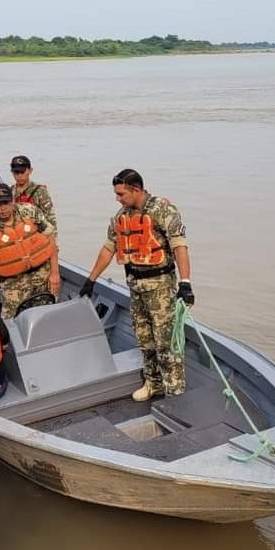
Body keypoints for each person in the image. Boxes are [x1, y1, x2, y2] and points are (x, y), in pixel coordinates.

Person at [79, 169, 193, 402]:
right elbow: (108, 249)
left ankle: (174, 390)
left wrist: (185, 283)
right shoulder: (121, 216)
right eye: (116, 194)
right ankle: (153, 383)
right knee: (144, 339)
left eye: (121, 194)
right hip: (136, 286)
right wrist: (91, 280)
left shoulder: (163, 210)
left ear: (137, 190)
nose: (117, 198)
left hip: (160, 287)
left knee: (165, 341)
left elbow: (180, 245)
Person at [0, 182, 61, 319]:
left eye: (6, 203)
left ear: (13, 201)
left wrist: (55, 273)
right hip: (13, 285)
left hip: (43, 276)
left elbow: (50, 238)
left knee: (50, 318)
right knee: (10, 325)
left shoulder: (29, 211)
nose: (3, 208)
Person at [9, 155, 57, 230]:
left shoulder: (40, 191)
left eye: (22, 172)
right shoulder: (9, 191)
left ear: (30, 170)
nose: (19, 175)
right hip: (16, 234)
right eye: (16, 172)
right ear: (12, 172)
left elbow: (50, 219)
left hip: (36, 234)